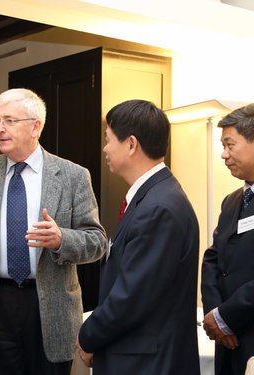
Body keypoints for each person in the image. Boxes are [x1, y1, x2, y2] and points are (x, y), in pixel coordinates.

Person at [0, 88, 107, 375]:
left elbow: (97, 241)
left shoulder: (73, 176)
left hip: (51, 309)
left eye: (9, 121)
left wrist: (62, 239)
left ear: (35, 126)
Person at [77, 99, 200, 375]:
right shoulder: (153, 197)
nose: (105, 148)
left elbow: (132, 296)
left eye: (108, 140)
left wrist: (88, 335)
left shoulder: (159, 207)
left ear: (131, 144)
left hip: (147, 362)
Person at [201, 103, 254, 375]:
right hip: (226, 339)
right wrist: (213, 316)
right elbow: (213, 258)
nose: (223, 154)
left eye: (230, 145)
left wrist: (226, 316)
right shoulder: (232, 201)